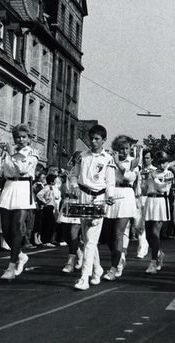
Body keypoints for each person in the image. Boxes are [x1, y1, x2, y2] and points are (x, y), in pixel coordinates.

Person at [70, 124, 117, 291]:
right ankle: (97, 269)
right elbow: (74, 175)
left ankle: (84, 277)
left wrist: (109, 197)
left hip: (98, 199)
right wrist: (74, 186)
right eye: (91, 138)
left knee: (90, 239)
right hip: (83, 196)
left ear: (104, 140)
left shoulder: (108, 159)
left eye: (97, 139)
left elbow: (110, 182)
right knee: (87, 238)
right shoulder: (82, 156)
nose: (93, 141)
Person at [0, 123, 39, 280]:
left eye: (23, 137)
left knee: (17, 227)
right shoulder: (8, 153)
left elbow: (24, 169)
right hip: (8, 187)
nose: (20, 139)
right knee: (5, 230)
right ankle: (20, 255)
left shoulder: (33, 152)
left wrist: (12, 154)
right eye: (17, 137)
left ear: (28, 138)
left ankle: (11, 267)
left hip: (23, 188)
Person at [103, 136, 140, 282]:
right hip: (111, 195)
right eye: (121, 148)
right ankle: (120, 257)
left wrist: (118, 163)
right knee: (108, 235)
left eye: (127, 148)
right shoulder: (109, 159)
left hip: (125, 196)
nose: (124, 151)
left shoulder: (133, 161)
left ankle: (113, 268)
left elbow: (130, 177)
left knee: (118, 233)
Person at [141, 150, 174, 274]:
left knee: (155, 233)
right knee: (148, 235)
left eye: (164, 162)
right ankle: (159, 253)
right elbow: (145, 189)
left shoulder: (169, 173)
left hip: (161, 202)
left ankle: (153, 262)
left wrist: (153, 179)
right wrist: (144, 180)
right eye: (159, 162)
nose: (162, 165)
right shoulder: (152, 172)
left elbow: (162, 188)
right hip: (150, 202)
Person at [59, 156, 84, 274]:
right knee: (65, 234)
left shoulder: (84, 173)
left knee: (73, 233)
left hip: (78, 203)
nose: (76, 161)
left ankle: (70, 262)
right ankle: (78, 252)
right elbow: (63, 189)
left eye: (78, 160)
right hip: (67, 203)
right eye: (75, 160)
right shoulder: (69, 173)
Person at [36, 173, 61, 246]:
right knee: (49, 224)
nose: (55, 182)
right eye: (54, 180)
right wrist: (45, 201)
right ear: (51, 181)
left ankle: (48, 240)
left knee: (51, 223)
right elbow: (39, 195)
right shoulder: (47, 187)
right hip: (48, 207)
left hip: (51, 207)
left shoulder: (51, 187)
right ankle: (46, 241)